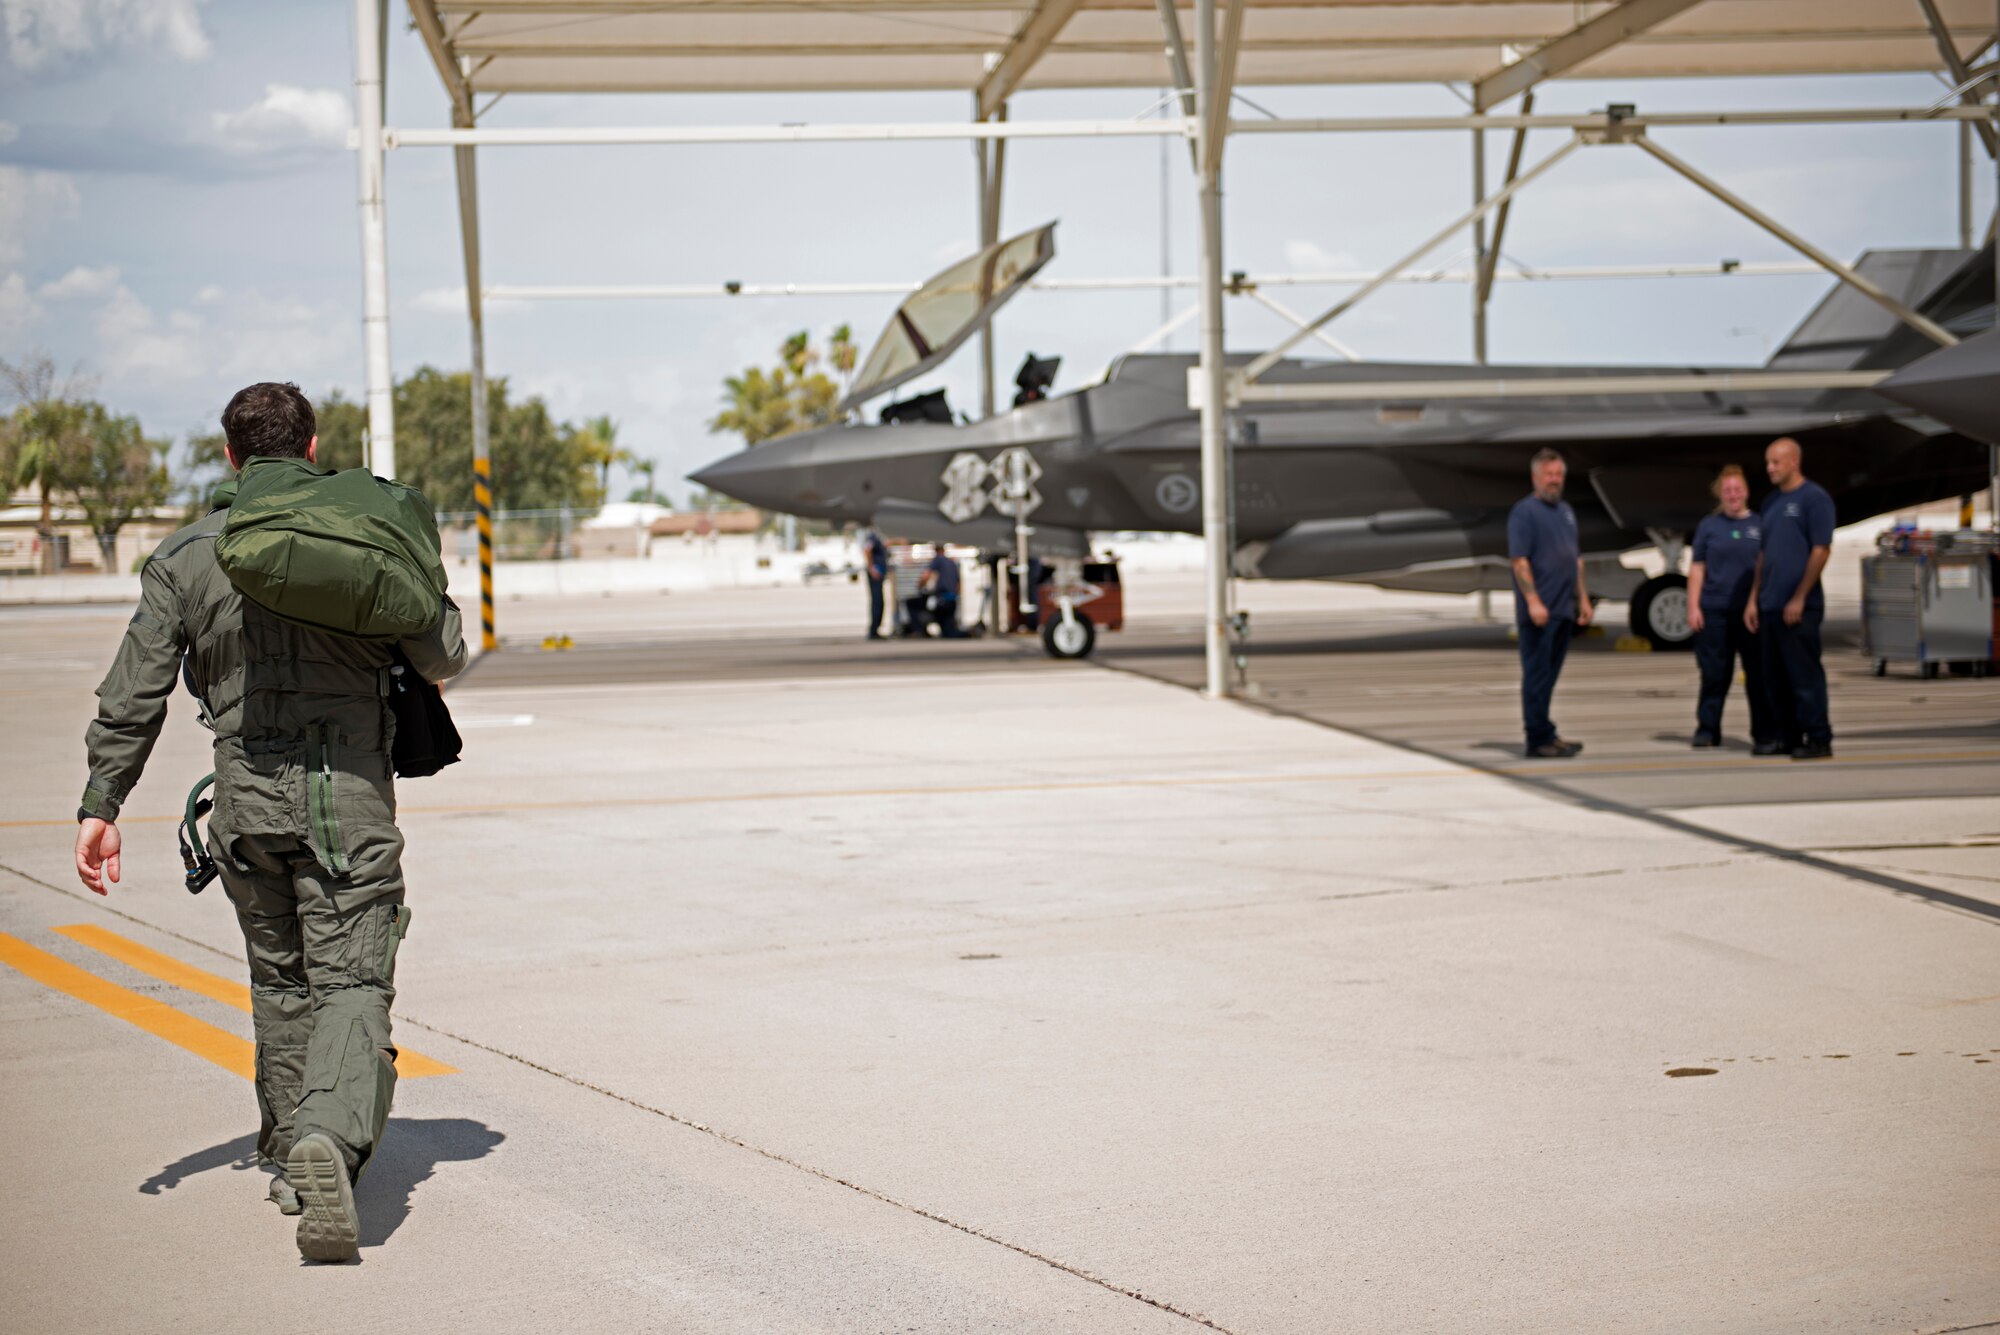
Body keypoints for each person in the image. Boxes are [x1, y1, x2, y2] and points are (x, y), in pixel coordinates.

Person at [73, 383, 467, 1262]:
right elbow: (445, 652)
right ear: (313, 446)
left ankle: (293, 1155)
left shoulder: (185, 556)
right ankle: (328, 1134)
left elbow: (132, 694)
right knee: (352, 982)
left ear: (230, 457)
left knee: (281, 981)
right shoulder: (359, 539)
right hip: (349, 800)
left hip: (244, 803)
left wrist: (103, 805)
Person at [1746, 436, 1836, 760]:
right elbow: (1763, 554)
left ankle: (1818, 738)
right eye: (1768, 462)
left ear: (1794, 462)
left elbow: (1821, 549)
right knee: (1774, 679)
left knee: (1804, 677)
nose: (1769, 468)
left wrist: (1800, 596)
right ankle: (1789, 737)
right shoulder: (1770, 502)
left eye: (1776, 462)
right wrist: (1753, 599)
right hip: (1770, 605)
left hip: (1799, 607)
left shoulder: (1814, 498)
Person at [1507, 447, 1593, 758]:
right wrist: (1533, 602)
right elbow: (1519, 561)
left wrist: (1583, 598)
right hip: (1540, 613)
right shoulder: (1524, 513)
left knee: (1550, 677)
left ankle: (1547, 732)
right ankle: (1537, 739)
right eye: (1549, 475)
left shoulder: (1565, 511)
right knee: (1537, 676)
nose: (1554, 480)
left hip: (1562, 609)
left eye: (1558, 475)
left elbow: (1575, 558)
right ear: (1535, 477)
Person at [1686, 464, 1775, 750]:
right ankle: (1707, 729)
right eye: (1727, 491)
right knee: (1714, 673)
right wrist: (1693, 607)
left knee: (1757, 674)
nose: (1733, 495)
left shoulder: (1759, 525)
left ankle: (1763, 732)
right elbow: (1698, 567)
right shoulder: (1708, 527)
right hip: (1713, 610)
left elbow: (1765, 568)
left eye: (1737, 490)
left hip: (1749, 612)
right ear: (1719, 495)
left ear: (1746, 491)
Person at [919, 544, 964, 637]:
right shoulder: (952, 562)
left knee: (922, 611)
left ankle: (966, 634)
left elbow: (926, 575)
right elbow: (958, 584)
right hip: (952, 599)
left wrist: (920, 585)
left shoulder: (938, 560)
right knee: (948, 627)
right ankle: (964, 633)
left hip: (942, 599)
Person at [861, 527, 892, 640]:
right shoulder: (872, 536)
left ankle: (876, 629)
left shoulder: (877, 536)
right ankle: (873, 631)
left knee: (880, 602)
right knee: (877, 602)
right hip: (875, 574)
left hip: (879, 574)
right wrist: (871, 568)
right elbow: (867, 550)